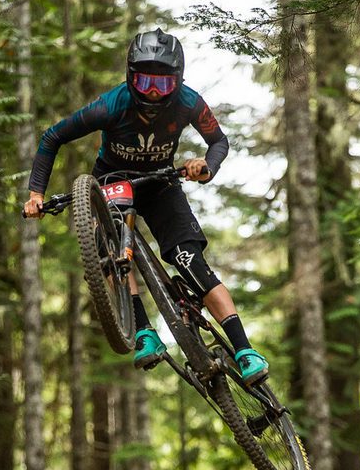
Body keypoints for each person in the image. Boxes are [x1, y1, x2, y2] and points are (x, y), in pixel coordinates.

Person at [23, 28, 268, 385]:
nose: (153, 92)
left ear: (178, 80)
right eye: (145, 82)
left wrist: (206, 166)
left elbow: (218, 141)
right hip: (113, 181)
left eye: (163, 84)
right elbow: (52, 137)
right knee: (110, 252)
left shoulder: (189, 102)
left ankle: (245, 350)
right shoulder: (112, 105)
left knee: (191, 262)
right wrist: (36, 194)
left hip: (160, 183)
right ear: (130, 76)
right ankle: (143, 332)